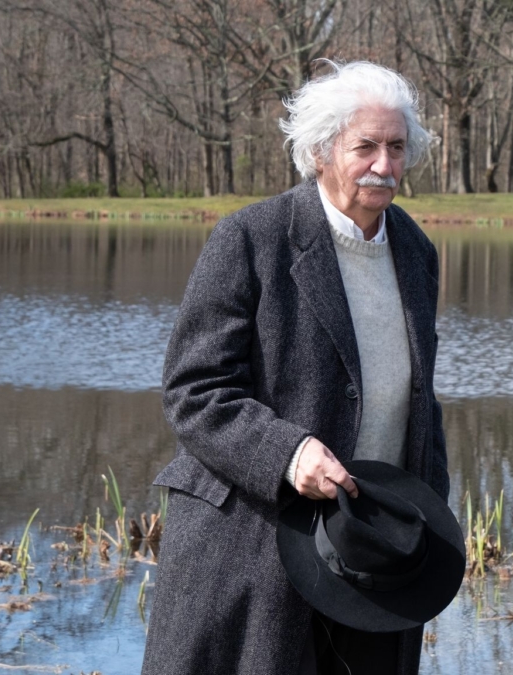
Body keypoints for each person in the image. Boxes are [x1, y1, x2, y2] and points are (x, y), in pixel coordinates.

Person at [141, 60, 449, 675]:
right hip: (249, 545)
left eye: (396, 147)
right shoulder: (251, 239)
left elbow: (417, 397)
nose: (385, 165)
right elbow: (195, 391)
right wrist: (288, 453)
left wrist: (430, 522)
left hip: (368, 549)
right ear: (319, 152)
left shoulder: (416, 251)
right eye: (365, 147)